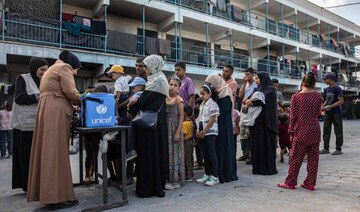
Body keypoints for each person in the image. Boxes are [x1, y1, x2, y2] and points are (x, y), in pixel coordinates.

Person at [27, 50, 81, 207]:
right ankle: (56, 197)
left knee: (47, 151)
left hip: (47, 109)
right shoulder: (64, 67)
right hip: (56, 111)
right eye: (76, 70)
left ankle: (49, 193)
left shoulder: (51, 69)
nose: (75, 73)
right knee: (56, 153)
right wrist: (83, 100)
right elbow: (71, 91)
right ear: (73, 65)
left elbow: (58, 92)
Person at [128, 54, 168, 198]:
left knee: (149, 156)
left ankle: (149, 188)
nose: (145, 69)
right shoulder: (155, 79)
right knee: (150, 155)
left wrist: (131, 107)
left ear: (153, 65)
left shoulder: (157, 80)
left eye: (146, 66)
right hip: (152, 124)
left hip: (151, 126)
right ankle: (151, 186)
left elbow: (143, 101)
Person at [278, 73, 322, 190]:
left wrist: (291, 131)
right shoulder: (318, 96)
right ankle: (310, 183)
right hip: (314, 129)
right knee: (313, 159)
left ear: (302, 82)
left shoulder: (296, 97)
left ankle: (290, 182)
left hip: (301, 130)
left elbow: (293, 117)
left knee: (296, 158)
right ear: (314, 83)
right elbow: (318, 113)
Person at [12, 57, 49, 192]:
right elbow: (19, 98)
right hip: (25, 126)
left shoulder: (44, 81)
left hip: (38, 124)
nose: (44, 72)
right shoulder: (23, 79)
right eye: (42, 69)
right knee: (26, 156)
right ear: (35, 68)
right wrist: (39, 97)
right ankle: (28, 185)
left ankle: (38, 183)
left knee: (37, 156)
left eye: (46, 70)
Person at [205, 75, 238, 183]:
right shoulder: (215, 93)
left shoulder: (226, 91)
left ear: (215, 82)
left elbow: (224, 109)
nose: (208, 86)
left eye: (209, 83)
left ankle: (223, 173)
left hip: (223, 124)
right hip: (216, 123)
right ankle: (213, 172)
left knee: (223, 147)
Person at [244, 72, 278, 175]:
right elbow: (248, 99)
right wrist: (248, 102)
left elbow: (264, 101)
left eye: (258, 78)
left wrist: (253, 103)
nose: (256, 80)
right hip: (256, 123)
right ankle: (258, 168)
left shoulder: (271, 90)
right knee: (257, 145)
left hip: (266, 123)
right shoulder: (257, 89)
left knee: (265, 145)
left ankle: (267, 168)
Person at [195, 84, 220, 186]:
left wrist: (204, 131)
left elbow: (212, 120)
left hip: (210, 132)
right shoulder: (202, 104)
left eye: (203, 94)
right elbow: (199, 119)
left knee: (211, 153)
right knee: (205, 153)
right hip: (203, 132)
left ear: (209, 94)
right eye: (200, 94)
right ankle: (207, 173)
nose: (201, 96)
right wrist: (198, 130)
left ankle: (214, 176)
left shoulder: (213, 104)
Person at [83, 85, 108, 184]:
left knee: (92, 154)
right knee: (91, 154)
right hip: (89, 131)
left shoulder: (99, 102)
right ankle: (88, 175)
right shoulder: (86, 102)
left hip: (95, 131)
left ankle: (90, 175)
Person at [165, 78, 185, 190]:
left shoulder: (179, 99)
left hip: (174, 128)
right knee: (168, 153)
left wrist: (177, 132)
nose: (172, 87)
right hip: (166, 128)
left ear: (179, 87)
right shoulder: (166, 98)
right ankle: (168, 178)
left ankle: (175, 180)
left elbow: (182, 116)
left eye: (175, 85)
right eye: (171, 84)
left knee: (175, 153)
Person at [320, 72, 344, 155]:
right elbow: (327, 100)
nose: (324, 81)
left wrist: (330, 106)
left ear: (330, 79)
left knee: (338, 130)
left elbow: (341, 101)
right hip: (328, 113)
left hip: (336, 113)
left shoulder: (338, 89)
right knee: (326, 130)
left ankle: (338, 149)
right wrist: (323, 106)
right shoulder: (326, 89)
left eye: (325, 79)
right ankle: (326, 148)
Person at [238, 67, 257, 163]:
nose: (246, 76)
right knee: (243, 133)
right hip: (244, 111)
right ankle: (244, 154)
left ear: (253, 74)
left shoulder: (256, 84)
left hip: (251, 111)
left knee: (250, 133)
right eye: (245, 74)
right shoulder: (245, 84)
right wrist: (244, 83)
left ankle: (250, 155)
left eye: (248, 74)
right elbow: (240, 96)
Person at [183, 105, 194, 182]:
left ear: (184, 113)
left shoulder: (184, 124)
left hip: (186, 142)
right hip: (190, 141)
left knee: (187, 159)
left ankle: (189, 175)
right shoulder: (191, 121)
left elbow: (183, 134)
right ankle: (191, 173)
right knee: (190, 158)